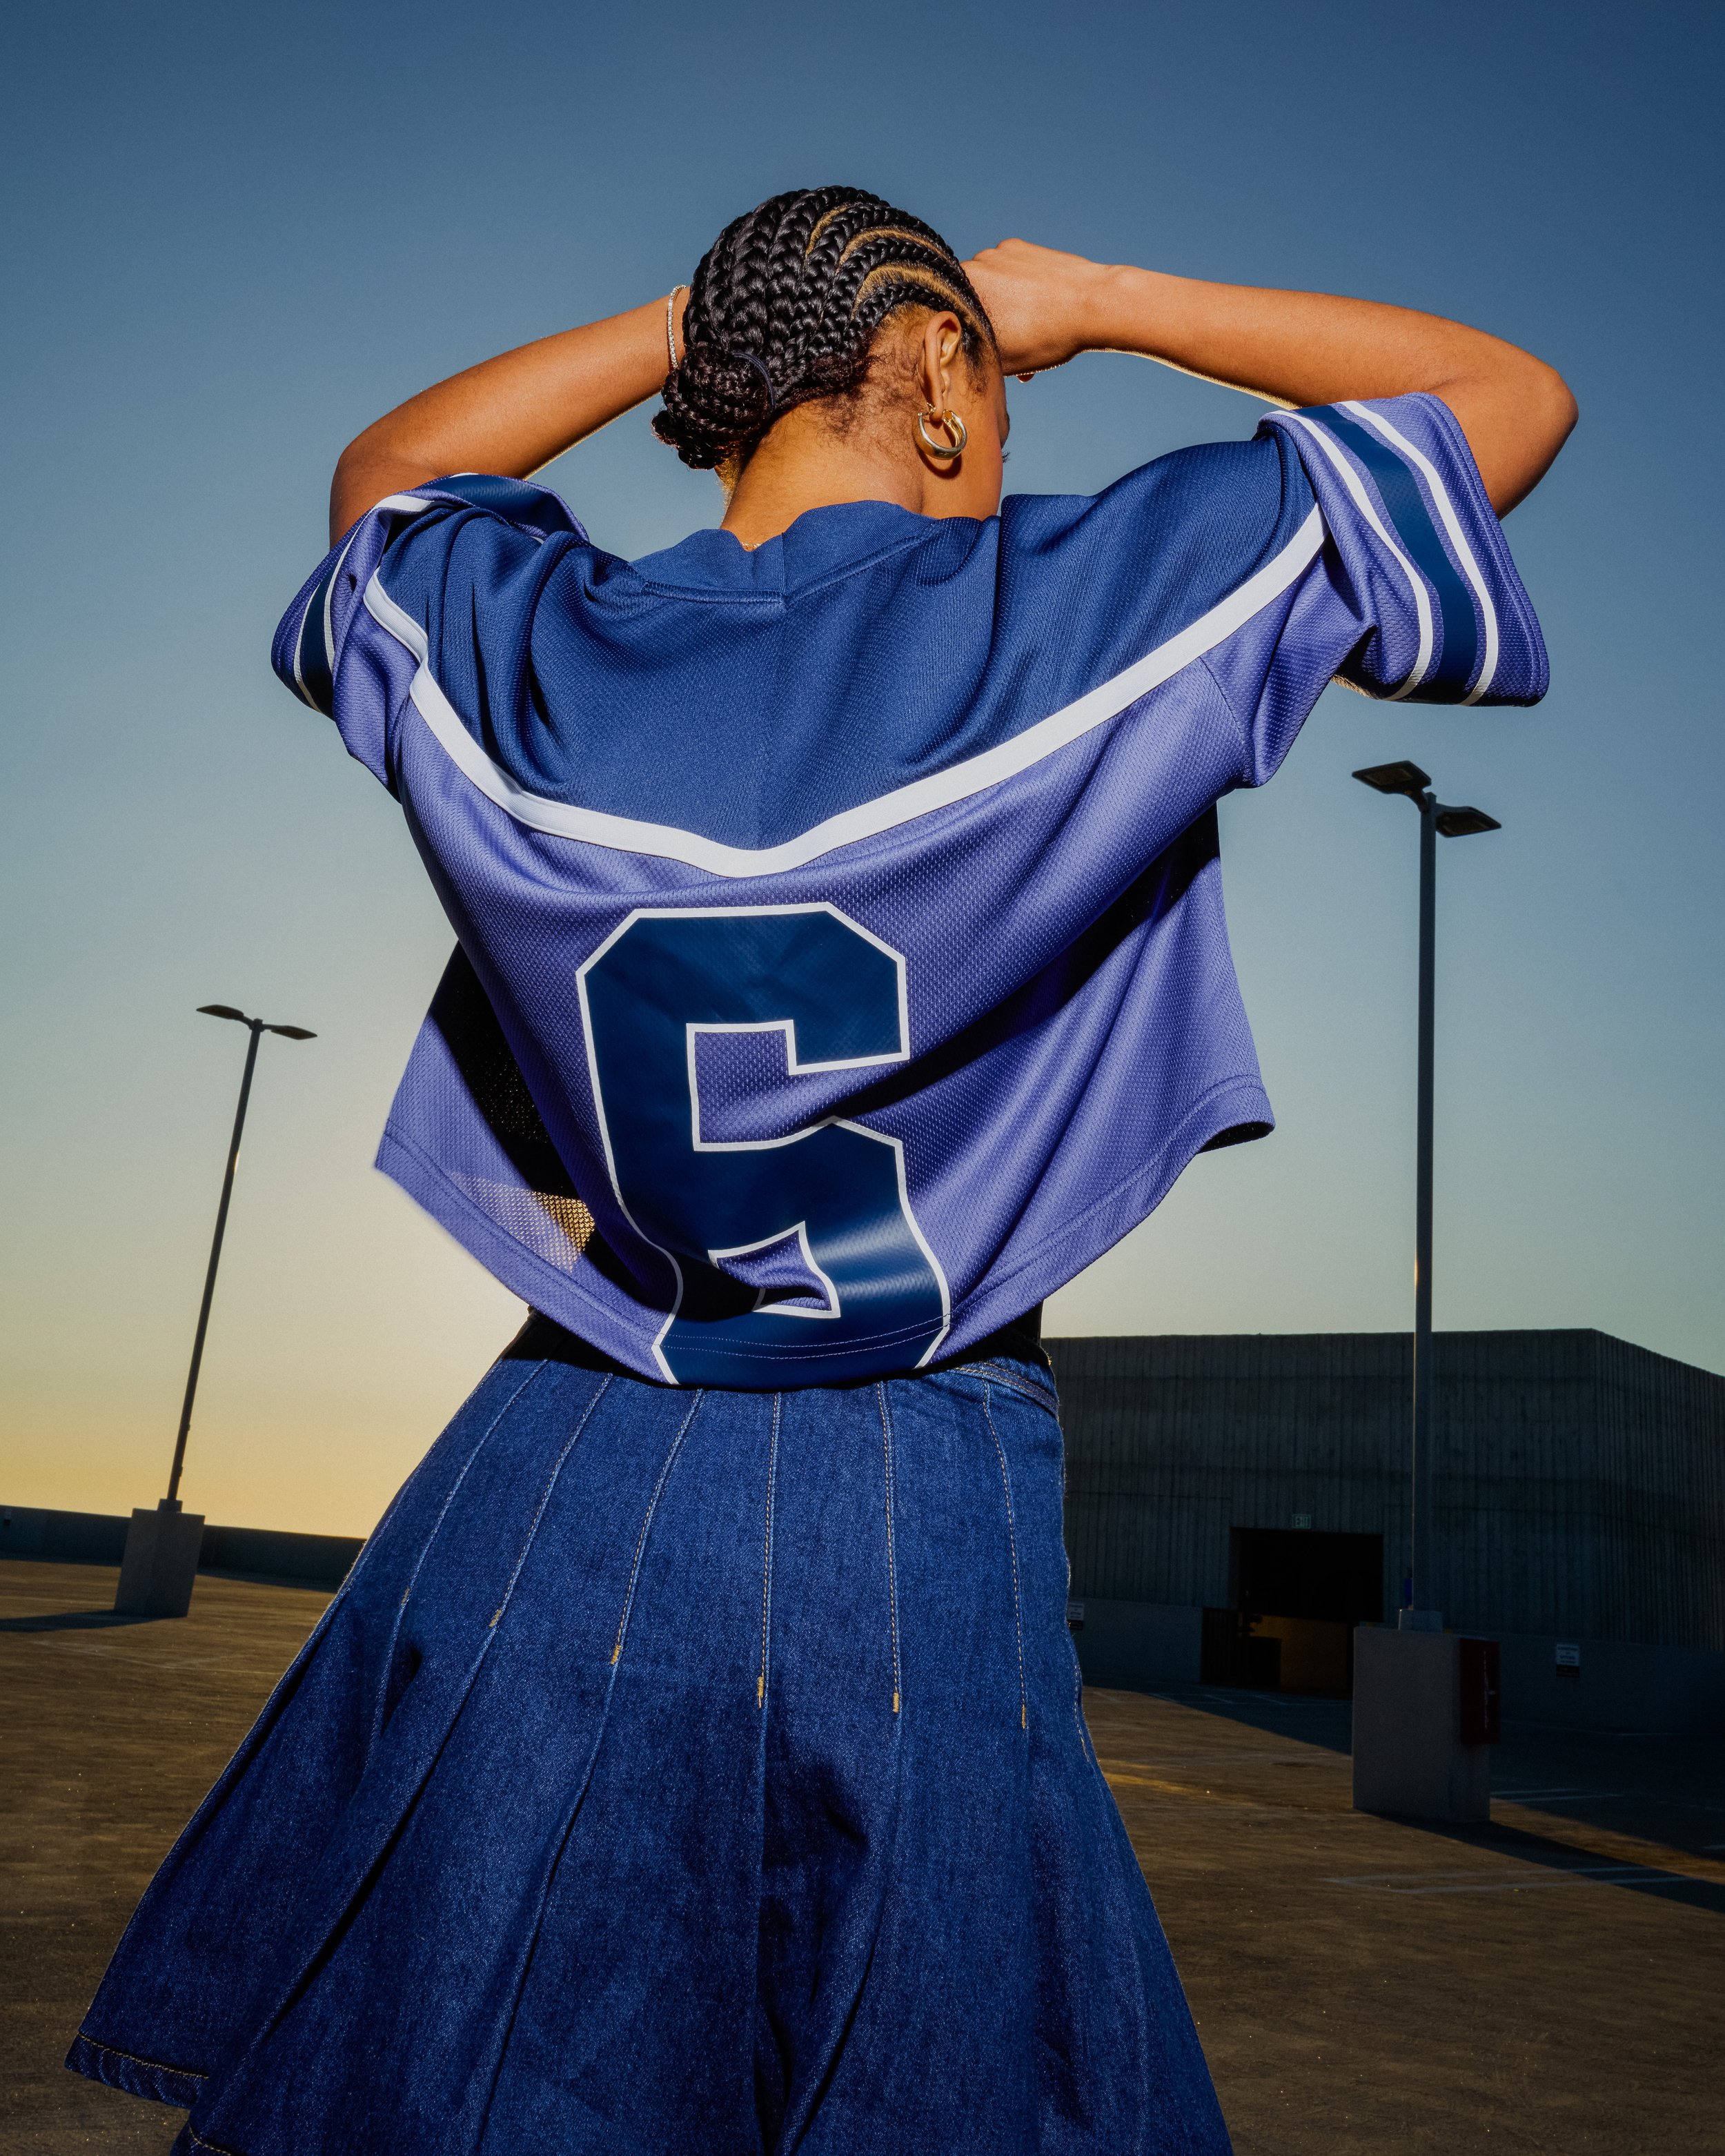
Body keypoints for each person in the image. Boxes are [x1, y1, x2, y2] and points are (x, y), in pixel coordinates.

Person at [68, 188, 1573, 2155]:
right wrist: (1093, 301)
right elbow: (1501, 399)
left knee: (469, 2050)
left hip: (556, 1456)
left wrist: (702, 321)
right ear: (939, 377)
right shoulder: (1086, 606)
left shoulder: (527, 650)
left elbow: (392, 476)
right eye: (996, 395)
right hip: (912, 1473)